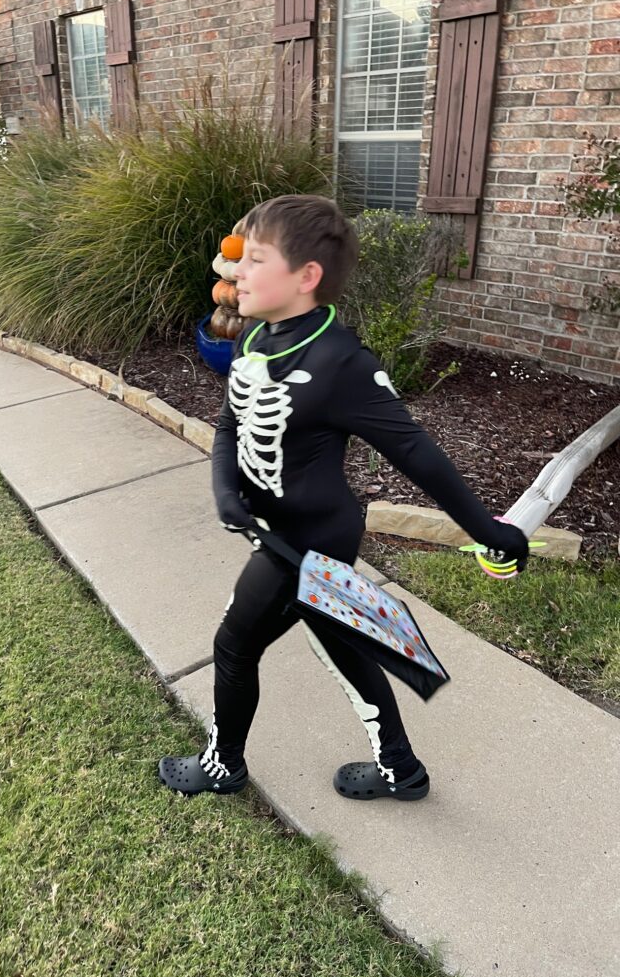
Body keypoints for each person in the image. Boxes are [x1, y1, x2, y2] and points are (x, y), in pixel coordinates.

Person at [158, 194, 529, 801]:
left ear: (306, 276)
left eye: (255, 260)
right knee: (340, 642)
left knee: (233, 646)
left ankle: (223, 765)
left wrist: (491, 533)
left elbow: (416, 453)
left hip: (306, 542)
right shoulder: (256, 339)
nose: (236, 271)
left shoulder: (341, 362)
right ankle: (402, 771)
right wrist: (226, 489)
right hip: (279, 528)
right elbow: (230, 424)